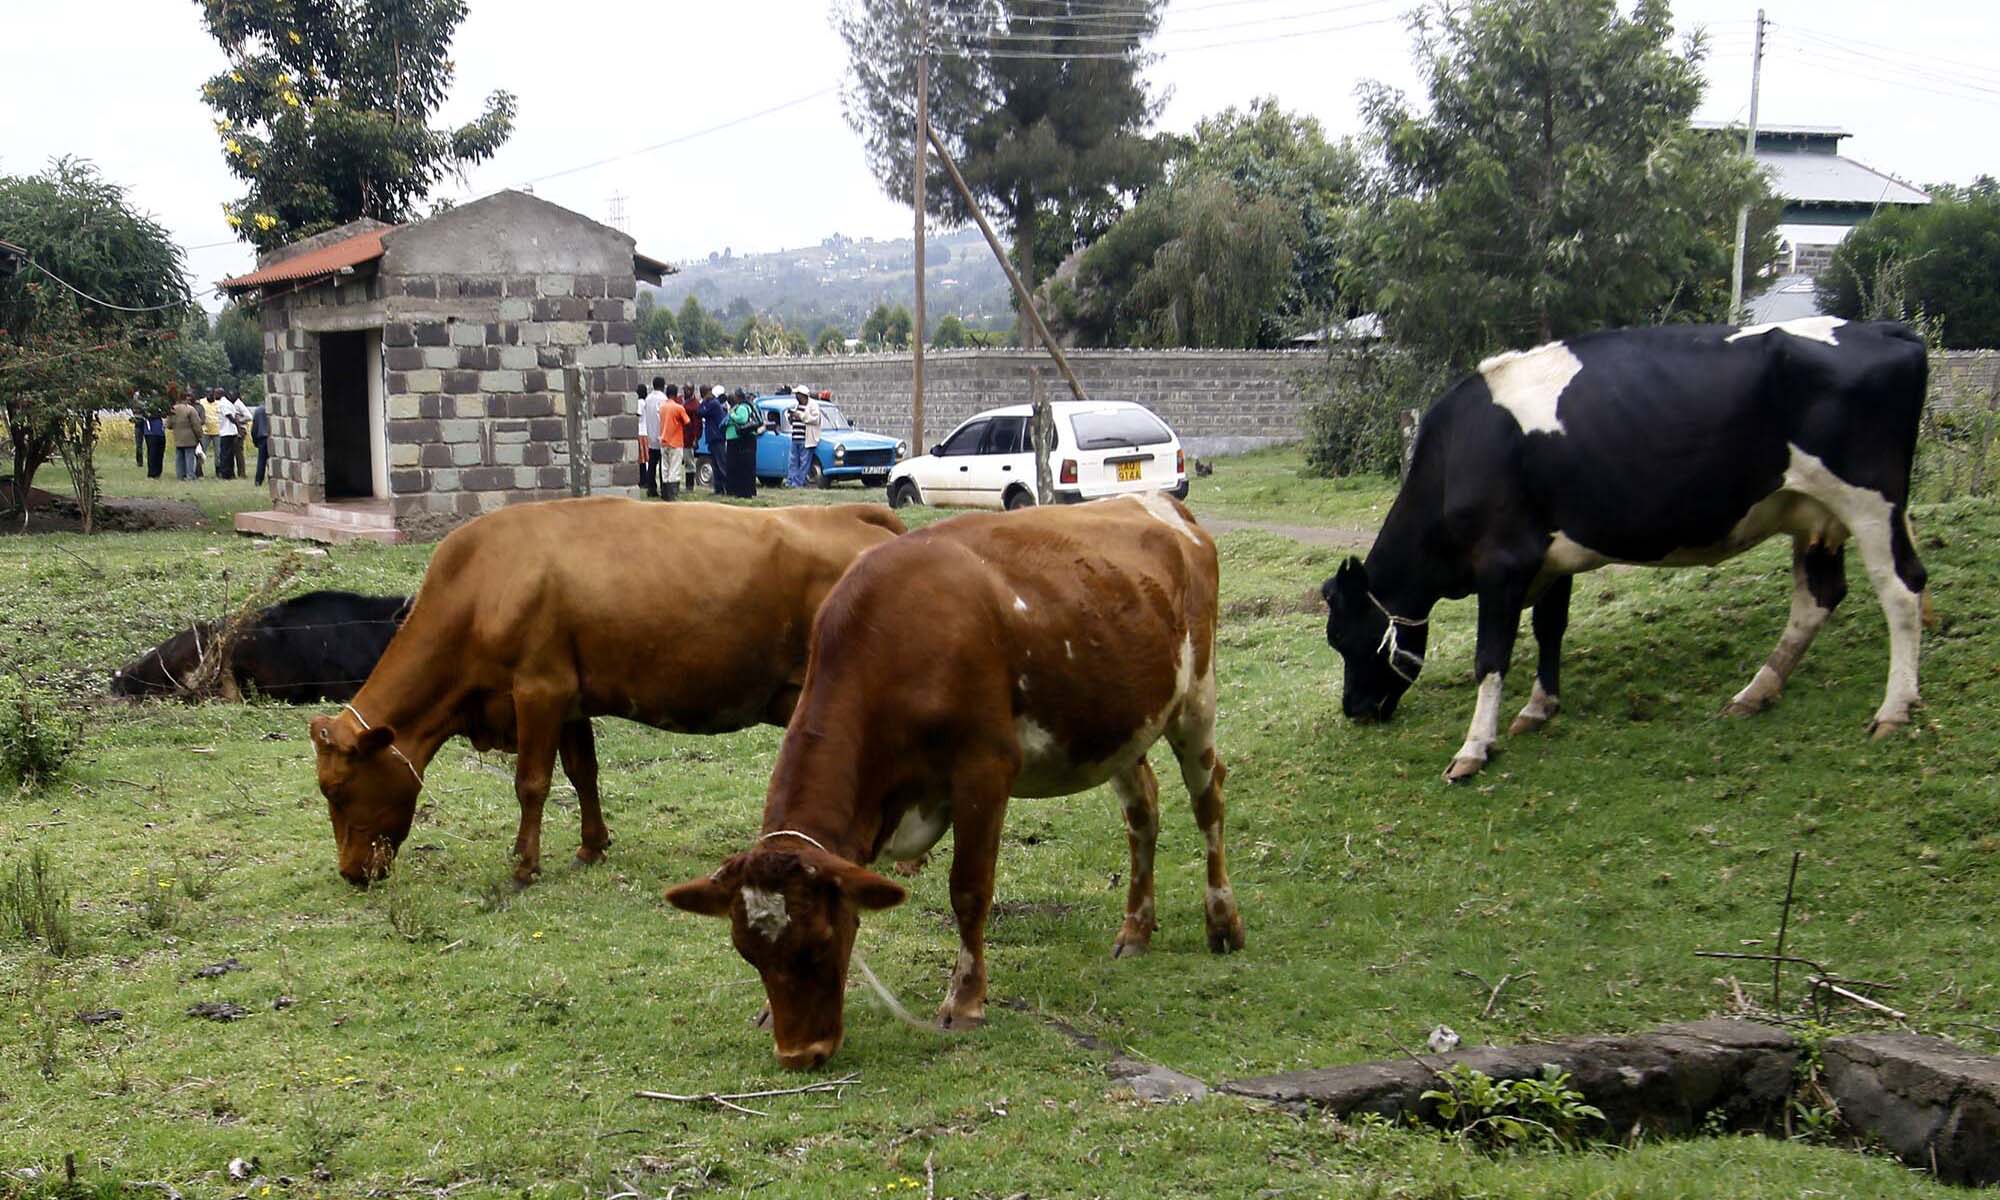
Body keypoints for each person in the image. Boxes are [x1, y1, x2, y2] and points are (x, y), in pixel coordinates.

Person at [725, 388, 760, 499]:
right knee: (745, 466)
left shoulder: (743, 407)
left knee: (745, 467)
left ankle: (745, 491)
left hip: (745, 439)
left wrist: (731, 415)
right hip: (746, 439)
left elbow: (742, 419)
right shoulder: (746, 406)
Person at [659, 384, 690, 501]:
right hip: (675, 441)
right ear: (676, 394)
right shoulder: (679, 408)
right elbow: (687, 421)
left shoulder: (662, 407)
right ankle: (673, 495)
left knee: (665, 468)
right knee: (674, 468)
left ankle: (665, 493)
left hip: (663, 441)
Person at [699, 385, 731, 495]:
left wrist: (703, 401)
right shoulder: (714, 403)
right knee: (716, 465)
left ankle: (727, 488)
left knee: (721, 464)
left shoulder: (713, 404)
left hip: (716, 437)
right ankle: (719, 489)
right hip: (715, 437)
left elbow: (700, 412)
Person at [786, 385, 820, 488]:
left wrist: (800, 415)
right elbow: (793, 421)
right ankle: (791, 481)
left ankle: (798, 483)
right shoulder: (797, 405)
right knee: (793, 462)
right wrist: (791, 417)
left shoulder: (813, 405)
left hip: (806, 439)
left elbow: (815, 419)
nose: (796, 396)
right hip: (795, 437)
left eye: (798, 394)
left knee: (804, 463)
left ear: (802, 395)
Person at [169, 388, 202, 481]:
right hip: (190, 437)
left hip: (177, 436)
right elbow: (196, 424)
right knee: (190, 457)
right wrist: (199, 436)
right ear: (186, 398)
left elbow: (168, 424)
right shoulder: (190, 409)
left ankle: (180, 475)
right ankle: (190, 475)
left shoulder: (173, 409)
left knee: (179, 457)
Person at [636, 382, 660, 497]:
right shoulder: (646, 401)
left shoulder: (640, 403)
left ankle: (643, 480)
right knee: (646, 459)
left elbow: (638, 415)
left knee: (642, 460)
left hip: (641, 432)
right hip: (647, 432)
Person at [216, 392, 240, 480]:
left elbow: (230, 416)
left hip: (227, 432)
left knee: (226, 454)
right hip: (227, 431)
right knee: (227, 454)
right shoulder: (225, 403)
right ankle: (227, 473)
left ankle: (227, 473)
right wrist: (238, 424)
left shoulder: (225, 403)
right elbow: (229, 416)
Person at [201, 389, 222, 477]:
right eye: (208, 393)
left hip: (217, 431)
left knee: (218, 453)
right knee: (202, 452)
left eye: (211, 393)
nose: (210, 395)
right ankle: (199, 471)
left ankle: (218, 471)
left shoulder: (219, 403)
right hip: (205, 431)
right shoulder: (202, 402)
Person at [142, 406, 167, 479]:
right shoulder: (146, 404)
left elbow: (165, 414)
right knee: (152, 453)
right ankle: (152, 473)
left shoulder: (161, 404)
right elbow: (146, 415)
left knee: (160, 453)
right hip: (151, 432)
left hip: (160, 432)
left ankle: (158, 472)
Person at [250, 397, 270, 486]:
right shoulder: (271, 410)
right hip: (271, 437)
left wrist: (255, 440)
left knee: (261, 460)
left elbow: (254, 428)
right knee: (273, 460)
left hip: (262, 437)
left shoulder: (258, 411)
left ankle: (258, 480)